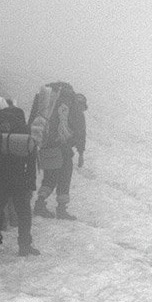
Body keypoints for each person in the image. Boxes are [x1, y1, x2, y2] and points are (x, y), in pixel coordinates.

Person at [0, 98, 39, 257]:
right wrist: (31, 184)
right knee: (24, 214)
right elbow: (31, 161)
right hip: (19, 179)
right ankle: (24, 246)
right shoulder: (25, 131)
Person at [33, 87, 87, 220]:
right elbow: (80, 135)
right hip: (63, 150)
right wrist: (81, 153)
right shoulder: (76, 112)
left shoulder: (54, 106)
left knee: (49, 178)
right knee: (64, 178)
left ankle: (39, 204)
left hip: (48, 146)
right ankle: (61, 210)